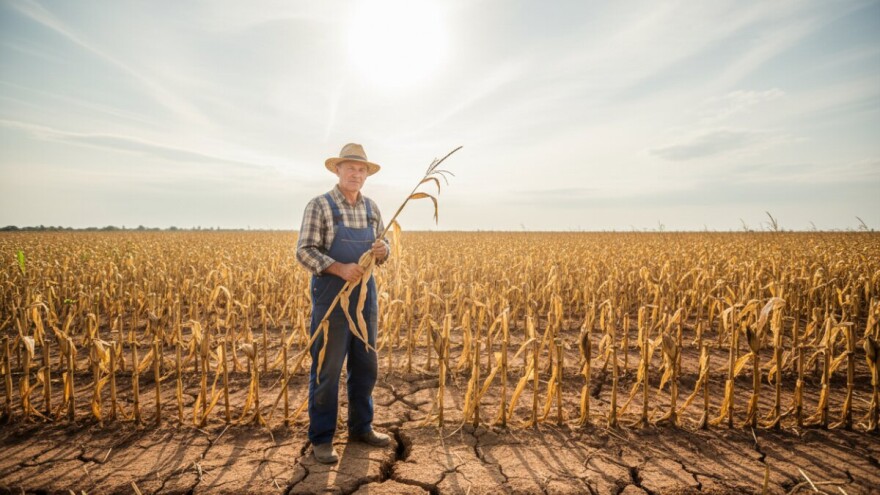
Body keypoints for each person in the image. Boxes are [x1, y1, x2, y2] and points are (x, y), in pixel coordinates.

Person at [295, 143, 391, 464]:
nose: (356, 173)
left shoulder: (372, 208)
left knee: (365, 367)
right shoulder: (320, 206)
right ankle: (322, 438)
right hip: (332, 299)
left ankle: (361, 427)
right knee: (327, 368)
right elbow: (304, 251)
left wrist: (382, 252)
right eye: (350, 167)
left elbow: (384, 244)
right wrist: (339, 268)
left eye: (361, 169)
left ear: (366, 175)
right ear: (337, 170)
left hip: (365, 300)